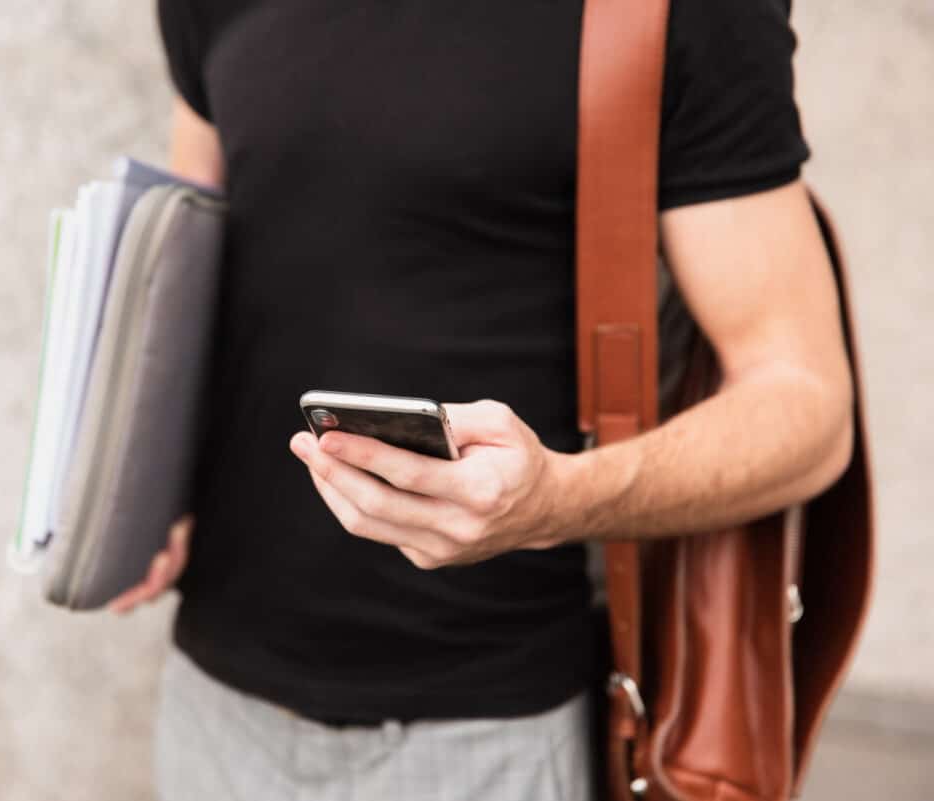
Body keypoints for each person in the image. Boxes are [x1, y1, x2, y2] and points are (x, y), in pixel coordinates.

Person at [112, 1, 854, 799]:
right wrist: (147, 494)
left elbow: (807, 406)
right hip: (214, 705)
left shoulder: (684, 12)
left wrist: (561, 498)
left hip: (494, 730)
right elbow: (194, 268)